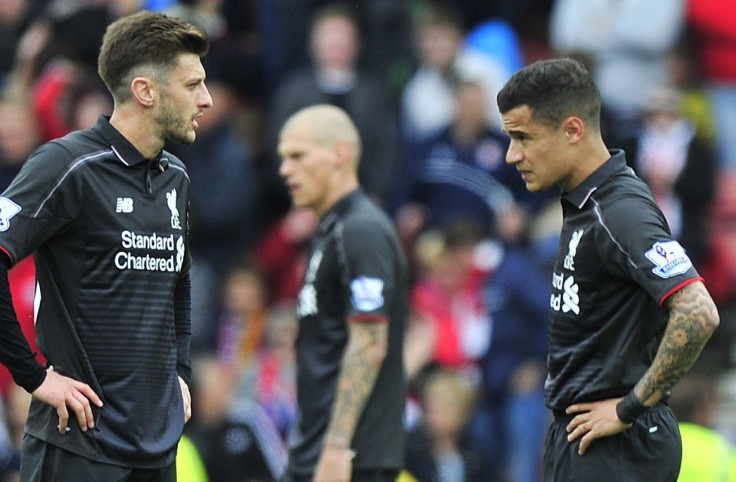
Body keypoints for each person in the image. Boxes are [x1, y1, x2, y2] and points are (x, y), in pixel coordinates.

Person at [0, 10, 212, 481]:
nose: (207, 99)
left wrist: (180, 372)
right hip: (78, 447)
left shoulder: (175, 177)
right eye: (193, 84)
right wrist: (33, 377)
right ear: (145, 91)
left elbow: (178, 280)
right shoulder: (67, 165)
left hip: (156, 451)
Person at [496, 57, 720, 481]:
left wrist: (630, 406)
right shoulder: (587, 204)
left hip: (617, 446)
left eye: (523, 137)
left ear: (573, 130)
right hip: (587, 438)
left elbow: (699, 311)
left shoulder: (619, 211)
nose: (512, 155)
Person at [277, 104, 408, 482]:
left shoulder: (361, 230)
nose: (286, 170)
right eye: (283, 159)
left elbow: (370, 343)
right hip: (318, 452)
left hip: (350, 459)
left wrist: (336, 448)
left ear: (340, 154)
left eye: (298, 156)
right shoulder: (331, 230)